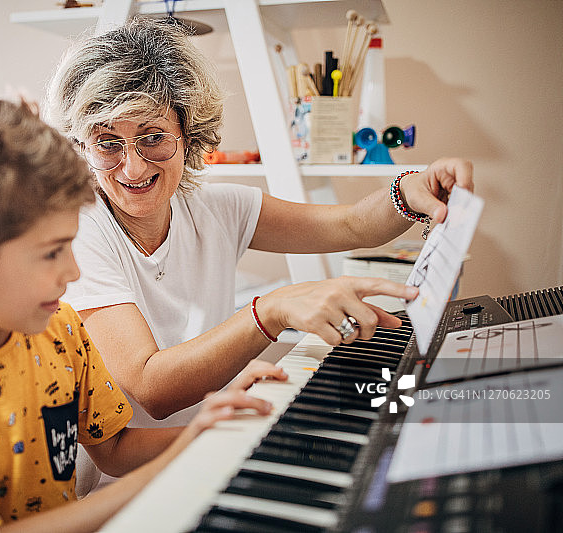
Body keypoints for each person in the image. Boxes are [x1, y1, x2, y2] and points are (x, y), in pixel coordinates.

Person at [0, 94, 281, 533]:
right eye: (51, 253)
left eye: (70, 244)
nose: (73, 271)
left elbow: (115, 446)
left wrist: (204, 431)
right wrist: (175, 463)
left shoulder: (60, 330)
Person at [45, 17, 473, 426]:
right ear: (82, 144)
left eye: (153, 137)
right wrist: (271, 311)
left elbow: (350, 227)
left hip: (210, 444)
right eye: (107, 143)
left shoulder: (216, 207)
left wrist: (411, 190)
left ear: (188, 131)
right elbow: (150, 387)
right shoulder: (81, 231)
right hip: (129, 485)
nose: (133, 168)